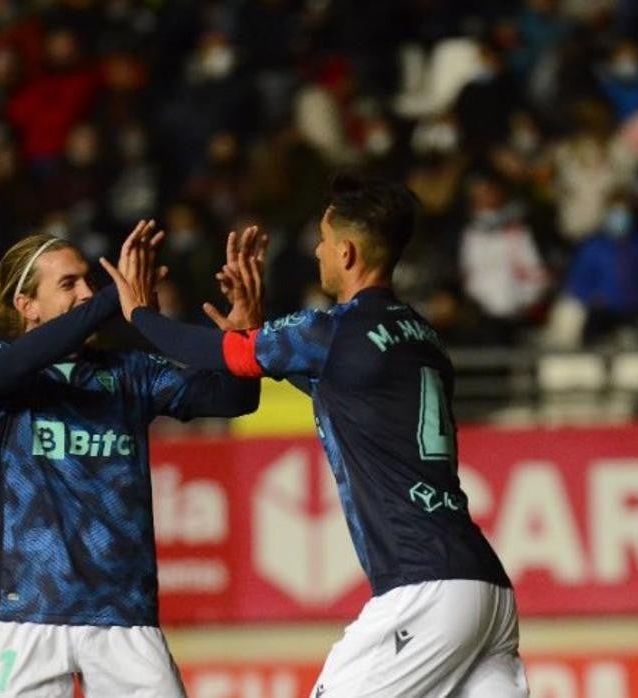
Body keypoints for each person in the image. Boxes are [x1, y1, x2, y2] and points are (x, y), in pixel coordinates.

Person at [104, 177, 527, 697]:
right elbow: (313, 374)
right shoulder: (424, 337)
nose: (317, 251)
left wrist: (139, 315)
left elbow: (228, 357)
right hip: (486, 589)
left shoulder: (334, 332)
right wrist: (252, 329)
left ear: (347, 253)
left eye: (323, 241)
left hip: (424, 586)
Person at [0, 221, 262, 697]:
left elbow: (233, 400)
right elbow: (16, 365)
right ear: (27, 306)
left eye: (90, 281)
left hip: (124, 617)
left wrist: (246, 329)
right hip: (30, 615)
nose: (86, 292)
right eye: (69, 284)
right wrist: (117, 300)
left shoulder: (130, 372)